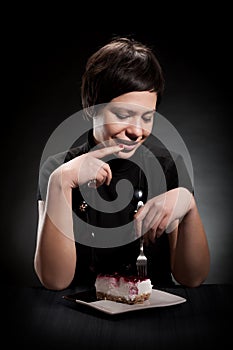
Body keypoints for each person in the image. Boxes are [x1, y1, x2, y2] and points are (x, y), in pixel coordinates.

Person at [34, 36, 210, 291]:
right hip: (81, 316)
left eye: (147, 117)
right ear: (92, 107)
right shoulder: (57, 168)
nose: (136, 131)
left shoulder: (168, 165)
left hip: (154, 317)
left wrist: (189, 205)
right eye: (123, 115)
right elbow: (54, 280)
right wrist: (60, 183)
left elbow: (192, 278)